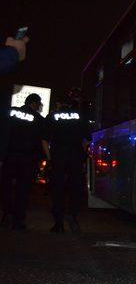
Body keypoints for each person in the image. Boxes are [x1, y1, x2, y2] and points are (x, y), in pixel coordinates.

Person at [0, 93, 46, 230]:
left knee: (6, 187)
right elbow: (40, 141)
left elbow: (4, 133)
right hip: (27, 159)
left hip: (10, 156)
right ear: (33, 103)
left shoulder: (12, 112)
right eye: (39, 103)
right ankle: (18, 220)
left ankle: (6, 215)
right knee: (23, 189)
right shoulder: (38, 119)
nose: (39, 106)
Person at [45, 95, 90, 233]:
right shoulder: (80, 116)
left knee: (57, 189)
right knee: (75, 187)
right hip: (75, 155)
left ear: (58, 103)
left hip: (58, 156)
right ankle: (72, 215)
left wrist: (49, 159)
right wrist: (82, 155)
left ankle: (58, 223)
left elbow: (44, 140)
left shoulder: (52, 116)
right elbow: (87, 140)